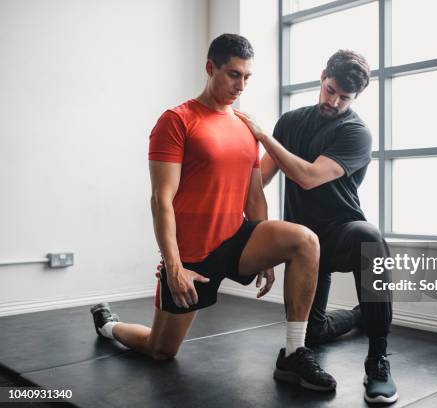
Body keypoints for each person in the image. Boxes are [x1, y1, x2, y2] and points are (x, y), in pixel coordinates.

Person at [89, 33, 336, 392]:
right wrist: (173, 266)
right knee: (160, 350)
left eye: (247, 77)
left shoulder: (245, 126)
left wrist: (267, 254)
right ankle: (108, 325)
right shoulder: (177, 120)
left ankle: (295, 353)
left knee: (305, 241)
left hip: (236, 240)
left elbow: (253, 196)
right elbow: (161, 199)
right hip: (192, 257)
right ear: (210, 68)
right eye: (234, 74)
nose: (241, 85)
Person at [235, 49, 397, 404]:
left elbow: (308, 177)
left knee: (370, 238)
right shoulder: (291, 122)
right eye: (330, 90)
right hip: (302, 242)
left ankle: (378, 359)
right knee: (313, 335)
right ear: (322, 76)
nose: (334, 101)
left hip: (341, 233)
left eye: (345, 97)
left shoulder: (356, 133)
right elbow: (258, 178)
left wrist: (263, 137)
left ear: (357, 98)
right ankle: (360, 317)